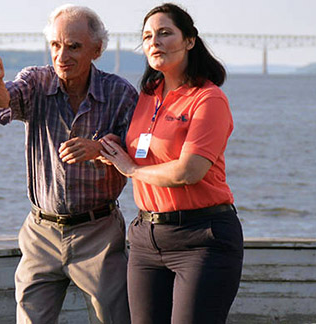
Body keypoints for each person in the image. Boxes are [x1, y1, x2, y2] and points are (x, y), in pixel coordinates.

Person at [0, 4, 137, 324]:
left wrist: (99, 148)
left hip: (99, 233)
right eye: (56, 45)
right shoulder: (35, 81)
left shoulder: (120, 93)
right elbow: (3, 102)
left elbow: (136, 152)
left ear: (97, 50)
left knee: (114, 318)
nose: (62, 55)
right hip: (41, 232)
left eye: (74, 46)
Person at [98, 3, 243, 324]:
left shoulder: (208, 99)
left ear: (190, 40)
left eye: (165, 33)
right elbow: (142, 150)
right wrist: (100, 147)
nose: (155, 42)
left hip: (202, 238)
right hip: (146, 239)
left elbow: (190, 170)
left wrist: (132, 171)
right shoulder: (148, 95)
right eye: (148, 36)